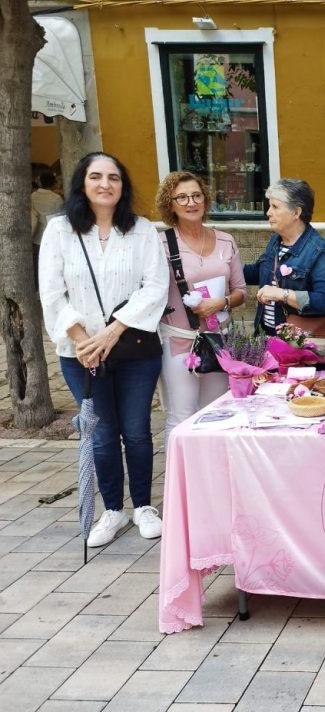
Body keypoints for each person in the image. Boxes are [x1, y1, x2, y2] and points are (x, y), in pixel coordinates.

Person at [39, 153, 169, 546]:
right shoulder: (60, 230)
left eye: (114, 177)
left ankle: (144, 506)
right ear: (82, 183)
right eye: (96, 176)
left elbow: (154, 287)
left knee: (137, 430)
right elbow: (51, 291)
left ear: (122, 186)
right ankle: (112, 510)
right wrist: (82, 340)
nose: (105, 184)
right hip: (79, 353)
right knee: (102, 433)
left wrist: (111, 333)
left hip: (134, 348)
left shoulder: (142, 230)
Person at [157, 171, 247, 434]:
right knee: (182, 415)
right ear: (170, 204)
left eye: (196, 195)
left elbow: (241, 290)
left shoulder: (225, 240)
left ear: (205, 200)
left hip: (218, 340)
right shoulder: (161, 244)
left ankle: (210, 474)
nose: (190, 202)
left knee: (216, 412)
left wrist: (223, 302)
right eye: (182, 197)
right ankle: (180, 475)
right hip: (179, 340)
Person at [244, 178, 325, 339]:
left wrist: (282, 294)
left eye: (275, 207)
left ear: (296, 212)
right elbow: (260, 271)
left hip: (296, 344)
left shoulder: (318, 251)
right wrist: (224, 268)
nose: (268, 212)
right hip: (265, 336)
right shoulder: (276, 240)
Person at [31, 171, 64, 285]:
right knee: (51, 263)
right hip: (52, 236)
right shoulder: (57, 198)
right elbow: (60, 216)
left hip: (37, 236)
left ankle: (37, 287)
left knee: (37, 264)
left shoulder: (33, 197)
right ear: (53, 183)